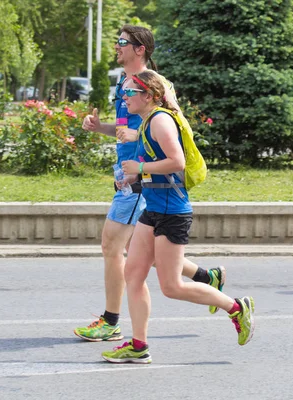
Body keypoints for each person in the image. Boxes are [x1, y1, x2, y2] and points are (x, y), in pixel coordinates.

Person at [74, 25, 226, 342]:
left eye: (121, 42)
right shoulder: (125, 83)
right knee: (140, 252)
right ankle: (206, 276)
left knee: (112, 247)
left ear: (139, 48)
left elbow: (173, 126)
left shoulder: (156, 86)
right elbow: (124, 129)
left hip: (142, 178)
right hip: (129, 172)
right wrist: (100, 127)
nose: (116, 46)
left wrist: (138, 167)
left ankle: (111, 321)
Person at [101, 70, 255, 364]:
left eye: (130, 92)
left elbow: (176, 162)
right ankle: (138, 345)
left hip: (173, 213)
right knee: (133, 274)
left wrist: (140, 167)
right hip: (154, 209)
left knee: (172, 287)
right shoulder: (148, 120)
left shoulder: (159, 120)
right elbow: (159, 173)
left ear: (148, 95)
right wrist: (133, 180)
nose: (124, 96)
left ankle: (236, 307)